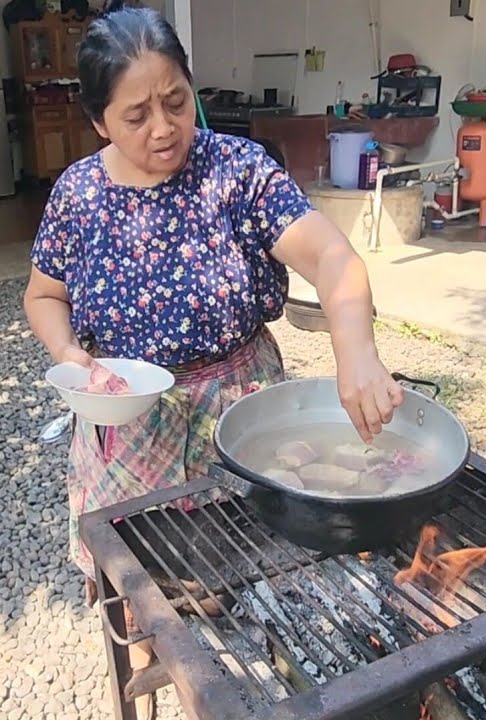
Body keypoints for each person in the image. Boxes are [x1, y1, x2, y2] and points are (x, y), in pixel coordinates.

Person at [24, 0, 402, 632]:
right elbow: (43, 296)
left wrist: (356, 353)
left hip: (239, 400)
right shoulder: (79, 194)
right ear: (98, 122)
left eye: (176, 101)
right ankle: (147, 647)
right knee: (141, 575)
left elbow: (333, 256)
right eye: (137, 115)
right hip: (129, 413)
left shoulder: (237, 171)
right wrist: (68, 355)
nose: (165, 128)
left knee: (253, 559)